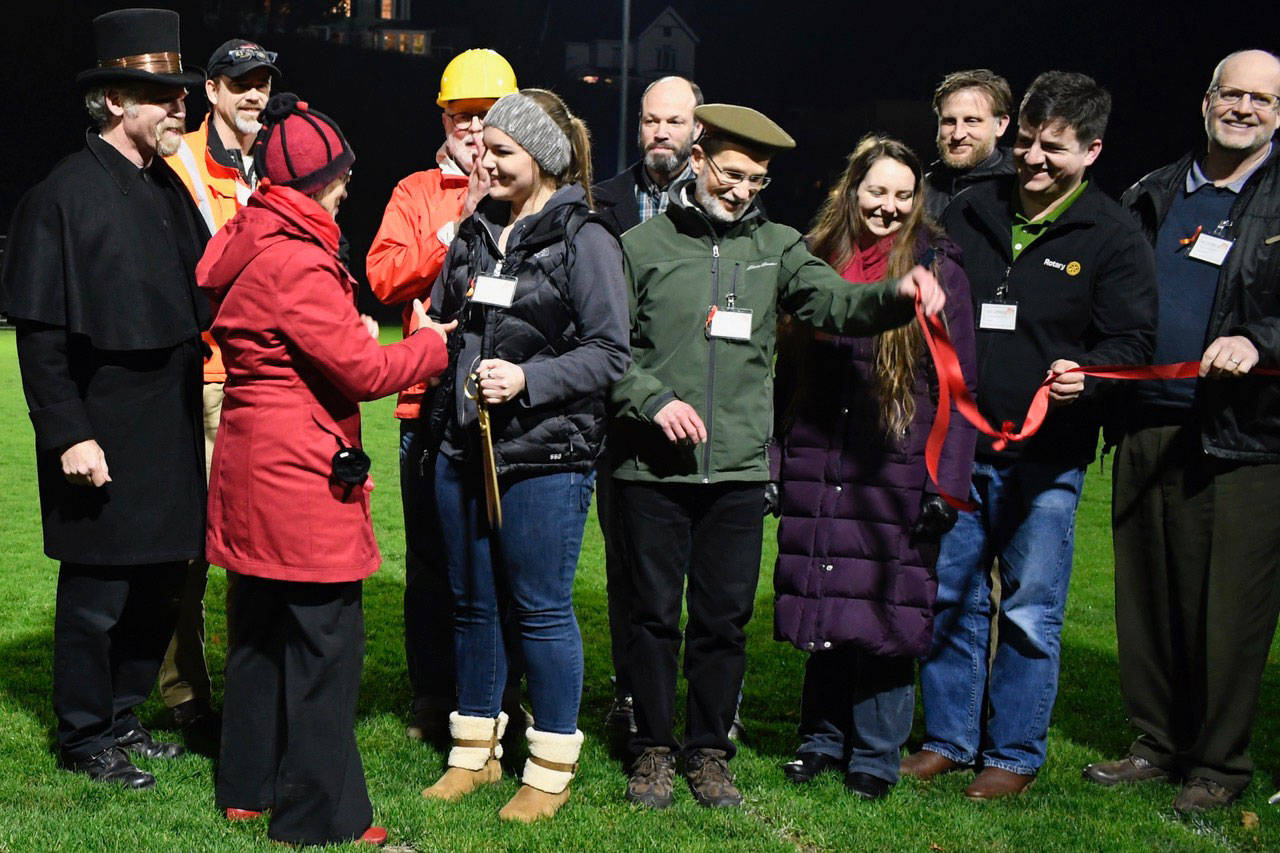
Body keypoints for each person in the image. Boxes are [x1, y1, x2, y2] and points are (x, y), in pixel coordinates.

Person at [610, 103, 947, 810]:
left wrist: (897, 296)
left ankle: (707, 752)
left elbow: (837, 305)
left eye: (757, 181)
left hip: (735, 472)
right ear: (697, 158)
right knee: (649, 618)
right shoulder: (639, 245)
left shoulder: (781, 247)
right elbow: (609, 350)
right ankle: (652, 751)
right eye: (732, 173)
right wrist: (651, 399)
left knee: (722, 620)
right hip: (650, 470)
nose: (742, 191)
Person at [198, 93, 454, 846]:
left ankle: (246, 785)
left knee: (257, 630)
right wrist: (434, 346)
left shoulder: (252, 236)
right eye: (343, 177)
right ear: (324, 183)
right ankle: (322, 816)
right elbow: (364, 367)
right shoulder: (296, 259)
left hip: (252, 461)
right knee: (324, 646)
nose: (348, 188)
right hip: (297, 471)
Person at [903, 71, 1158, 799]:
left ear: (1093, 150)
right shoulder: (974, 209)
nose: (1034, 159)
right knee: (952, 592)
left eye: (1054, 147)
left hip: (1048, 458)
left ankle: (1012, 750)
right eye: (1025, 143)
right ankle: (949, 738)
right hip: (962, 448)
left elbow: (1134, 343)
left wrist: (1095, 373)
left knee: (1029, 605)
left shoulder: (1112, 234)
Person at [0, 8, 208, 790]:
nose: (179, 107)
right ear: (116, 100)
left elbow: (205, 293)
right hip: (102, 425)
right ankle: (85, 734)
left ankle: (123, 715)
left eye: (181, 95)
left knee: (157, 582)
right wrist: (68, 435)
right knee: (97, 594)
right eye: (164, 94)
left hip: (169, 422)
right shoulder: (62, 195)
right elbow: (41, 336)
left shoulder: (167, 188)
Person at [420, 88, 629, 823]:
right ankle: (473, 751)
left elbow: (610, 353)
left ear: (541, 159)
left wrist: (528, 379)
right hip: (462, 447)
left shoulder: (585, 237)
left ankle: (549, 765)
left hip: (546, 457)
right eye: (483, 148)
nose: (486, 161)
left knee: (541, 612)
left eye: (501, 151)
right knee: (473, 606)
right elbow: (448, 315)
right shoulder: (477, 229)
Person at [1083, 49, 1280, 814]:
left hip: (1245, 437)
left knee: (1229, 607)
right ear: (1205, 102)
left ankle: (1219, 763)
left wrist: (1261, 339)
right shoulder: (1152, 193)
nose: (1244, 108)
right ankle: (1155, 743)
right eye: (1231, 94)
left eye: (1261, 98)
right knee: (1148, 595)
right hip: (1146, 427)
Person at [773, 135, 977, 800]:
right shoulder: (812, 258)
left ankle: (877, 751)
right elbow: (784, 374)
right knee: (829, 602)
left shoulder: (940, 269)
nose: (889, 206)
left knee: (887, 609)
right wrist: (776, 456)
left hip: (896, 460)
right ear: (851, 190)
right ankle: (821, 740)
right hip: (817, 451)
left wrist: (946, 480)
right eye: (877, 191)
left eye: (903, 194)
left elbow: (960, 386)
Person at [366, 48, 517, 741]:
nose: (476, 128)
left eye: (489, 116)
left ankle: (503, 692)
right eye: (464, 115)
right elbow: (386, 278)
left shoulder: (532, 189)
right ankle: (435, 695)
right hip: (425, 400)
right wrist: (460, 222)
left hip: (509, 400)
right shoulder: (415, 191)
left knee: (502, 555)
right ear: (445, 118)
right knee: (430, 560)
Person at [159, 35, 281, 747]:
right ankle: (186, 697)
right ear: (211, 91)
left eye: (262, 83)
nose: (254, 96)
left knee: (253, 551)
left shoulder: (275, 162)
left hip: (261, 387)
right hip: (201, 383)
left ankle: (251, 696)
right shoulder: (179, 162)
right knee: (191, 551)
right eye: (240, 84)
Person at [589, 74, 702, 738]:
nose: (661, 132)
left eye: (674, 121)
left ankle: (709, 701)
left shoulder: (721, 203)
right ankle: (633, 693)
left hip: (698, 410)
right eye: (650, 120)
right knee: (628, 569)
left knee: (702, 575)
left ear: (698, 130)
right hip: (619, 418)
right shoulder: (602, 200)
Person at [925, 69, 1014, 219]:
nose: (958, 134)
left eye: (972, 121)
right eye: (949, 121)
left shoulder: (1020, 190)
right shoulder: (921, 190)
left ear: (1000, 125)